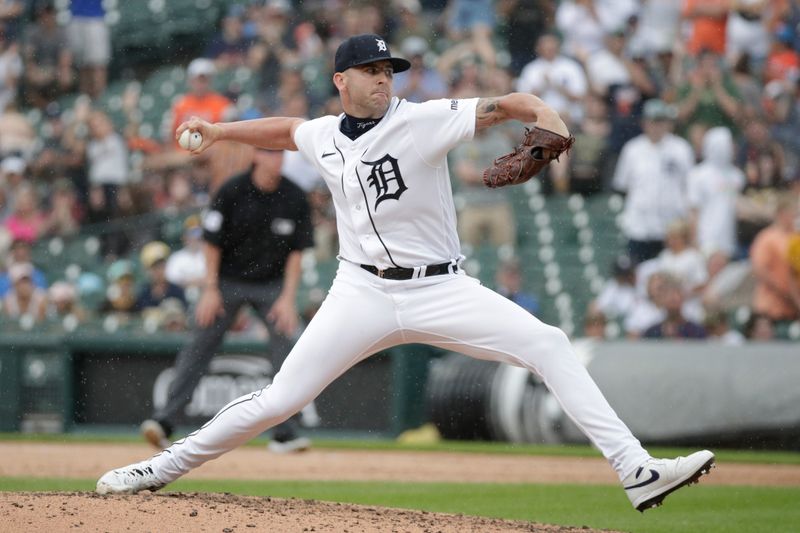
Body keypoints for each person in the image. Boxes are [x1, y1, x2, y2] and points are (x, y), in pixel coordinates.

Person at [97, 33, 715, 512]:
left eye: (389, 71)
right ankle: (160, 467)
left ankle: (636, 469)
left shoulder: (421, 120)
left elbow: (509, 104)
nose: (383, 80)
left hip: (441, 287)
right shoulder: (324, 135)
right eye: (370, 71)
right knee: (281, 399)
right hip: (359, 290)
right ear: (340, 78)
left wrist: (548, 121)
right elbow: (286, 132)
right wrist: (220, 128)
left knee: (549, 344)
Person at [138, 147, 314, 455]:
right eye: (271, 153)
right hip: (227, 281)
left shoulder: (294, 196)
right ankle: (164, 421)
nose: (278, 159)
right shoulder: (232, 190)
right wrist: (209, 289)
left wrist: (287, 298)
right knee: (200, 342)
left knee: (288, 345)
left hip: (271, 285)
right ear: (256, 156)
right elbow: (211, 243)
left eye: (281, 154)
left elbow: (297, 254)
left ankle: (284, 432)